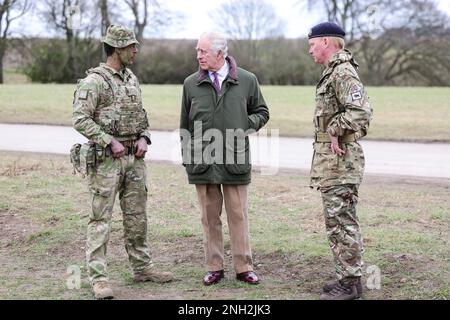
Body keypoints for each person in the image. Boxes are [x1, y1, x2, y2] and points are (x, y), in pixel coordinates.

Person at [72, 25, 172, 300]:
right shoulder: (94, 81)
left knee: (137, 216)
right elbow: (80, 118)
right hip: (106, 162)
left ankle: (142, 267)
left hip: (135, 160)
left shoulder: (131, 79)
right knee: (100, 219)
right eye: (131, 46)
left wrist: (145, 137)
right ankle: (99, 278)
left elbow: (141, 114)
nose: (135, 50)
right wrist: (108, 140)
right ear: (117, 48)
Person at [179, 32, 269, 286]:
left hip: (235, 159)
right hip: (202, 161)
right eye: (197, 50)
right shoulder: (190, 84)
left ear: (220, 54)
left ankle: (244, 267)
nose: (198, 55)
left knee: (238, 215)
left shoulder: (247, 80)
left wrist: (244, 125)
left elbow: (262, 112)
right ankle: (214, 267)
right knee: (209, 218)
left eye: (203, 51)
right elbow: (184, 125)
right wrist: (188, 158)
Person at [307, 22, 373, 300]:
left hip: (340, 163)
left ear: (325, 42)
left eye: (312, 44)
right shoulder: (333, 72)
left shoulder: (342, 72)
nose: (309, 50)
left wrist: (335, 128)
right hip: (333, 163)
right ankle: (350, 279)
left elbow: (361, 112)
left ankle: (349, 285)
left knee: (342, 223)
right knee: (340, 222)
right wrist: (339, 126)